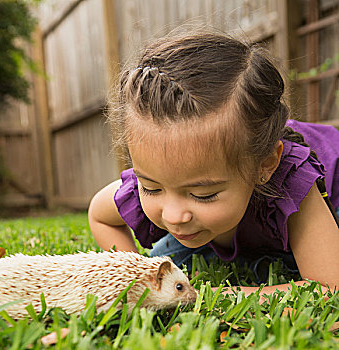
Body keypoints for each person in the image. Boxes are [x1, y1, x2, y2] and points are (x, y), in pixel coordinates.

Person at [88, 32, 339, 295]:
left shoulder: (292, 181)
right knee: (164, 257)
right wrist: (140, 281)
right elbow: (100, 215)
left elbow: (329, 285)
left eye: (203, 194)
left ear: (265, 166)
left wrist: (220, 296)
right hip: (233, 226)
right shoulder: (171, 181)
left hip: (328, 203)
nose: (173, 216)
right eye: (151, 188)